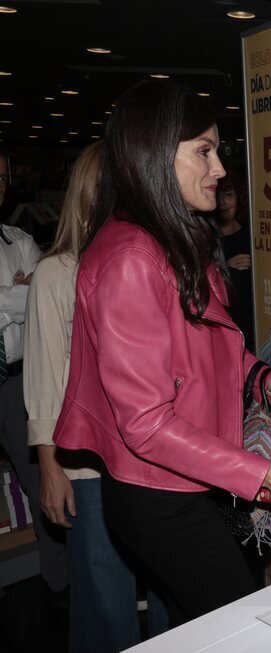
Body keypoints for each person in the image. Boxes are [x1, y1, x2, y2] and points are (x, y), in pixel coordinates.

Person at [52, 80, 271, 626]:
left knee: (222, 622)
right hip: (161, 492)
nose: (219, 168)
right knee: (245, 623)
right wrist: (255, 473)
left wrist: (264, 378)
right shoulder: (131, 257)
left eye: (217, 150)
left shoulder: (176, 238)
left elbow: (215, 350)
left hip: (198, 475)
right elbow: (145, 423)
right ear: (154, 156)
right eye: (203, 150)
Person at [24, 142, 169, 652]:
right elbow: (44, 374)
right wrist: (49, 467)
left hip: (152, 461)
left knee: (170, 593)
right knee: (105, 602)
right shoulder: (55, 273)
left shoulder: (146, 261)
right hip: (88, 467)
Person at [0, 148, 69, 603]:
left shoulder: (18, 239)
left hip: (13, 385)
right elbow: (31, 300)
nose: (0, 184)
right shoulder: (21, 253)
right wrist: (18, 292)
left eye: (4, 176)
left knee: (42, 481)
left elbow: (45, 299)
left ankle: (60, 588)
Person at [210, 173, 255, 351]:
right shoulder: (204, 237)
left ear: (239, 198)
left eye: (228, 194)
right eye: (217, 194)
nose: (222, 202)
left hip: (248, 329)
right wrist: (224, 269)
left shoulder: (250, 238)